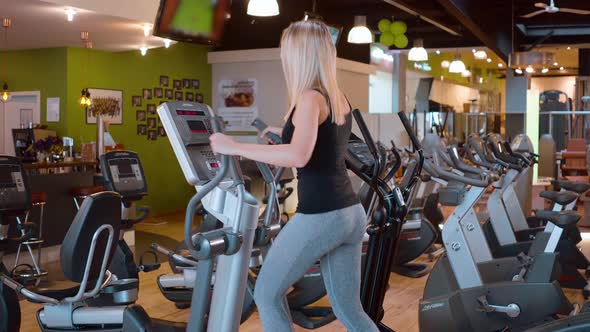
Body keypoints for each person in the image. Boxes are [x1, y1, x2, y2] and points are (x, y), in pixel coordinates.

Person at [209, 19, 378, 332]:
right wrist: (282, 130)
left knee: (267, 294)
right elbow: (321, 142)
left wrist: (234, 146)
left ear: (299, 56)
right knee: (349, 310)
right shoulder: (336, 97)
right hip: (350, 213)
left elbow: (298, 155)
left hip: (321, 214)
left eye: (286, 52)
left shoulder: (308, 98)